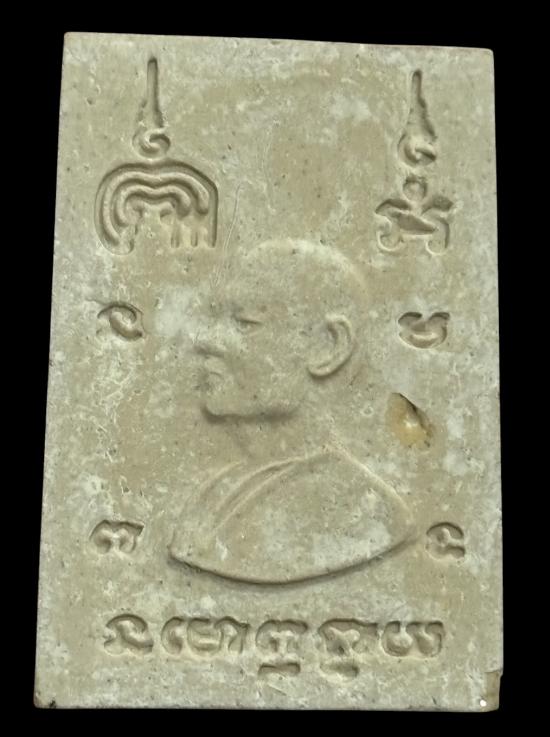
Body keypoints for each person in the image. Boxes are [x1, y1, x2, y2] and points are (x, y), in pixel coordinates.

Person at [169, 239, 414, 583]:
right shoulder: (214, 493)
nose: (207, 340)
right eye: (215, 319)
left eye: (244, 323)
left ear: (327, 347)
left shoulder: (361, 508)